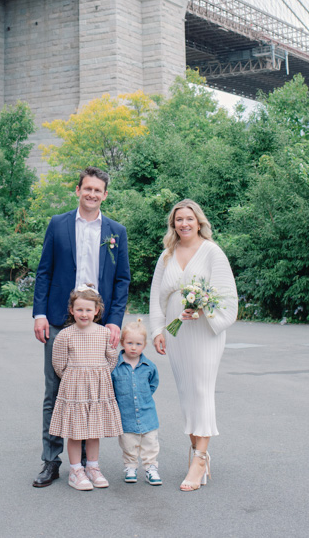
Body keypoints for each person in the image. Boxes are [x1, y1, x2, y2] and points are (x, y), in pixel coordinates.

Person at [32, 166, 131, 488]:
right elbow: (45, 271)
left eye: (98, 190)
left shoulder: (116, 231)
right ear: (78, 190)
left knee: (95, 392)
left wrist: (115, 322)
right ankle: (52, 461)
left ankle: (89, 463)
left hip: (100, 324)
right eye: (87, 189)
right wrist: (39, 314)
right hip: (60, 321)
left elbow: (122, 280)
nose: (92, 194)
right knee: (55, 391)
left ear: (105, 194)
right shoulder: (58, 224)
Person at [149, 199, 238, 491]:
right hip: (177, 335)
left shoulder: (212, 252)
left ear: (199, 222)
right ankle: (199, 453)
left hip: (204, 332)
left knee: (201, 390)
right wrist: (157, 331)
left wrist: (202, 311)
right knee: (186, 392)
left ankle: (199, 460)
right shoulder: (167, 255)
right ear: (173, 224)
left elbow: (227, 297)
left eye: (189, 219)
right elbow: (156, 298)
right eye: (178, 220)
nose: (184, 224)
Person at [49, 285, 122, 490]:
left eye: (88, 310)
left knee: (93, 430)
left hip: (98, 388)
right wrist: (76, 377)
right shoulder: (65, 335)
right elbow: (59, 364)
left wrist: (98, 374)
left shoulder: (103, 333)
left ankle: (92, 467)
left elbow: (111, 358)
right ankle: (75, 470)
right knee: (75, 431)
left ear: (97, 310)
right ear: (71, 310)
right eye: (79, 309)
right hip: (74, 389)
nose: (84, 314)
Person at [111, 318, 162, 486]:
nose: (134, 347)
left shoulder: (149, 366)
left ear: (144, 345)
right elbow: (111, 387)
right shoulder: (115, 367)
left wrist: (144, 396)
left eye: (138, 344)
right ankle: (130, 467)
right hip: (125, 415)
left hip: (147, 413)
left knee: (150, 443)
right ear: (122, 343)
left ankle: (151, 468)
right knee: (128, 444)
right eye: (130, 343)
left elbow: (153, 383)